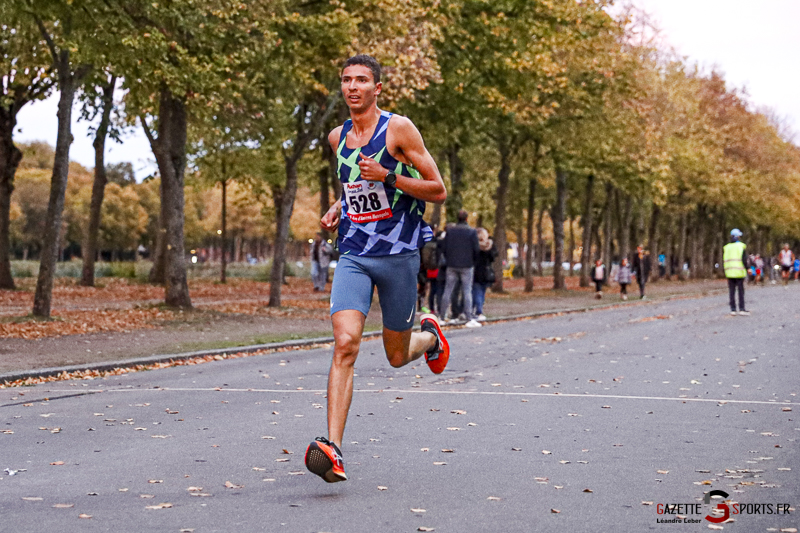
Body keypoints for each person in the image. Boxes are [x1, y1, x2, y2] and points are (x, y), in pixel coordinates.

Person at [305, 55, 449, 483]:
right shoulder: (337, 137)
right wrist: (337, 206)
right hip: (353, 252)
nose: (353, 86)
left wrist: (389, 176)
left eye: (362, 80)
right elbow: (354, 185)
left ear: (377, 88)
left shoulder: (398, 129)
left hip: (400, 254)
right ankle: (332, 449)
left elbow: (438, 190)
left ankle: (430, 337)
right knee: (345, 342)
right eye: (347, 80)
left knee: (396, 355)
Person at [439, 209, 481, 327]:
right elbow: (476, 249)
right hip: (467, 265)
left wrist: (449, 259)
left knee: (448, 290)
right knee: (467, 291)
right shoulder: (472, 232)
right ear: (467, 219)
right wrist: (473, 261)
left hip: (452, 265)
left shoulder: (451, 231)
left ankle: (442, 316)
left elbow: (444, 247)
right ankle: (468, 317)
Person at [472, 228, 498, 321]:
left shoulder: (474, 244)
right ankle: (479, 310)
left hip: (476, 270)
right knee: (482, 292)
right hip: (486, 270)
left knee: (476, 291)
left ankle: (476, 311)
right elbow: (493, 257)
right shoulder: (489, 244)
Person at [723, 228, 749, 316]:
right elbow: (744, 259)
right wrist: (748, 268)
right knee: (740, 291)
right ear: (738, 236)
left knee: (731, 291)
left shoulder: (726, 247)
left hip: (729, 272)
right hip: (739, 271)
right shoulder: (741, 246)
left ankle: (733, 309)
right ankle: (742, 309)